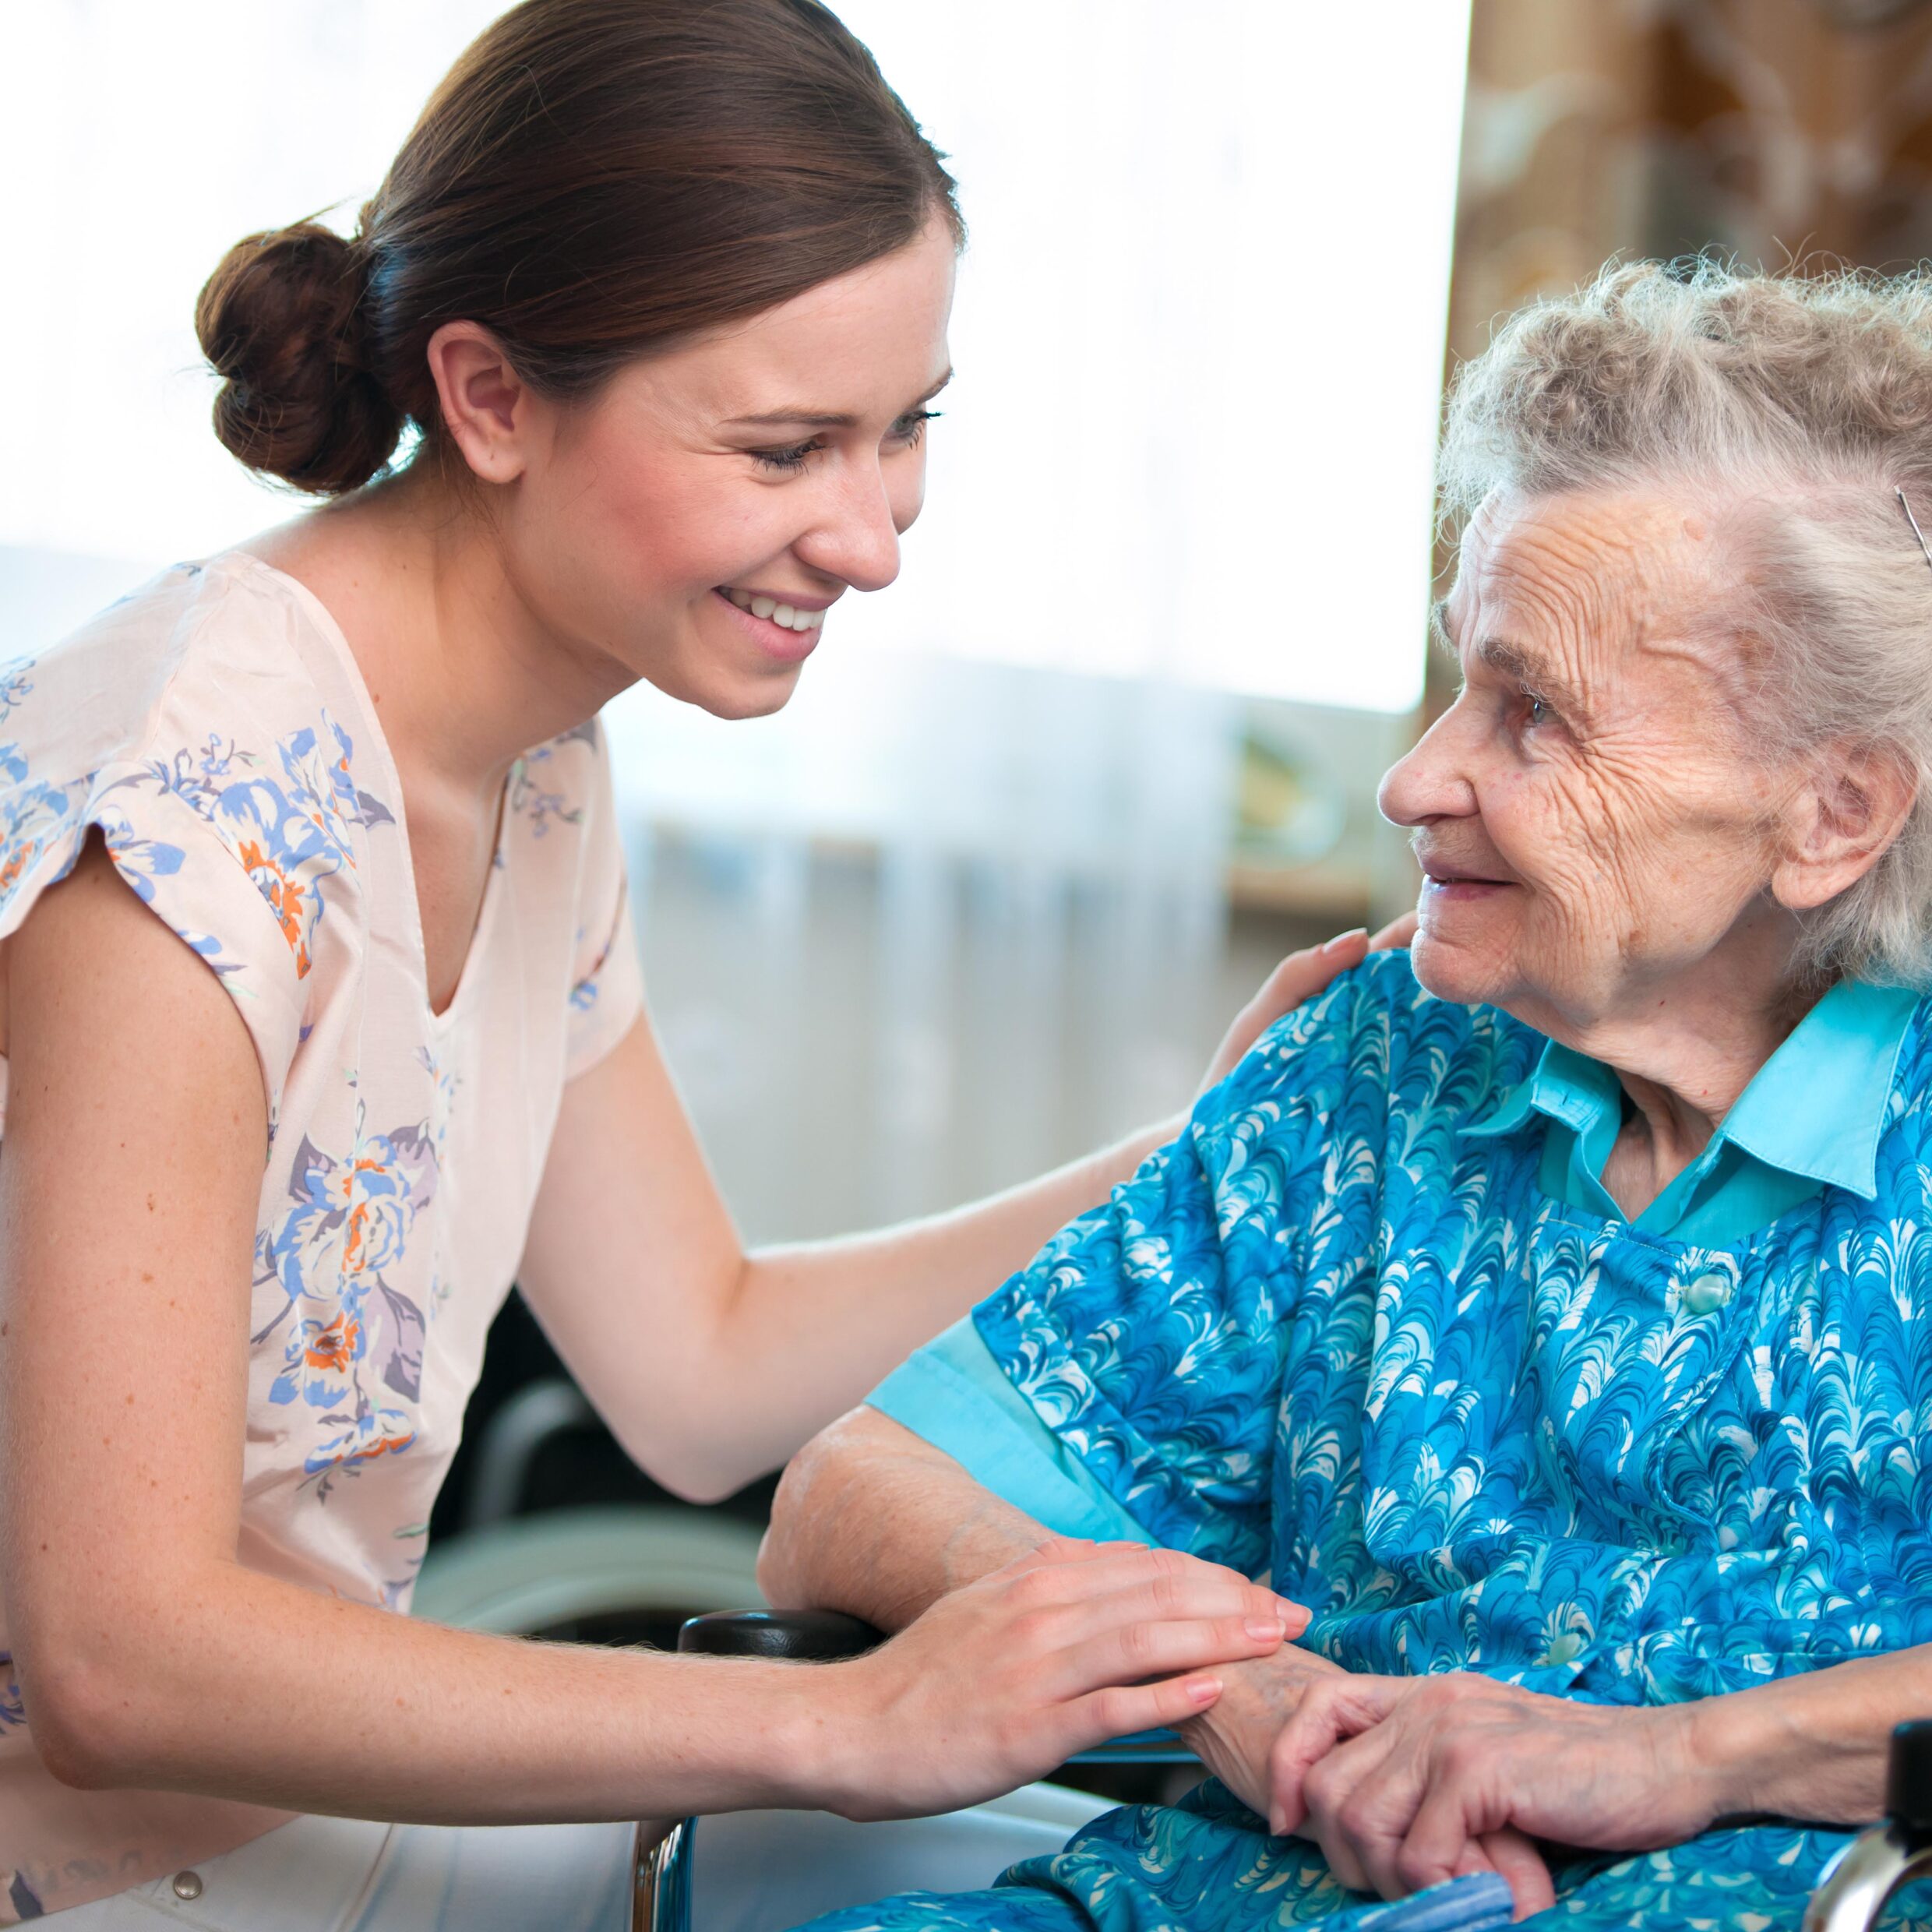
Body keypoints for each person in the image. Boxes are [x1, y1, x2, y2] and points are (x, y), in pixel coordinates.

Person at [0, 2, 1382, 1922]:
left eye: (909, 429)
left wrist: (1212, 1141)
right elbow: (117, 1660)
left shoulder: (534, 756)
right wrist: (854, 1720)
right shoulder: (181, 798)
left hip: (281, 1849)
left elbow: (698, 1366)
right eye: (784, 445)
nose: (874, 532)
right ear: (488, 397)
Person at [761, 260, 1932, 1932]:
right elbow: (848, 1498)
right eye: (1461, 680)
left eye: (1535, 715)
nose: (1416, 778)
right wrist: (1252, 1699)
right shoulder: (1385, 1056)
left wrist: (1684, 1754)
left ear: (1831, 811)